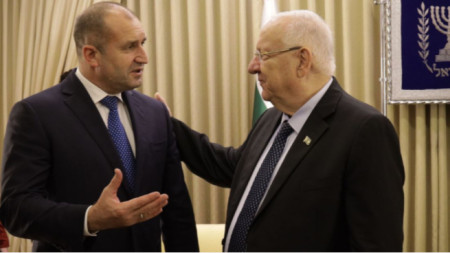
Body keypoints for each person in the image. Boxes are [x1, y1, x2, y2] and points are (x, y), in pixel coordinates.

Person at [156, 10, 404, 251]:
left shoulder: (364, 130)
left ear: (302, 60)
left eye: (263, 55)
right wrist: (167, 126)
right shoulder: (273, 118)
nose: (253, 67)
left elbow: (376, 244)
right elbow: (232, 167)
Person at [0, 2, 198, 251]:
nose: (143, 57)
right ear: (91, 55)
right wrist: (89, 219)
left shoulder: (155, 112)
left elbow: (177, 210)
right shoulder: (36, 114)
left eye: (142, 43)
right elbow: (15, 209)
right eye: (129, 47)